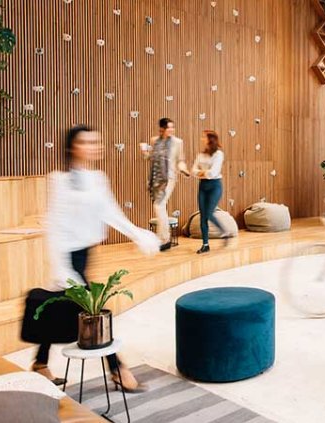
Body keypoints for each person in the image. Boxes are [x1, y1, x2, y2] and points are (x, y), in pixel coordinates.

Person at [23, 125, 159, 392]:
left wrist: (138, 234)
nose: (93, 145)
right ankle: (117, 368)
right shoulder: (59, 180)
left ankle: (40, 364)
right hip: (68, 256)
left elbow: (111, 212)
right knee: (93, 312)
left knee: (59, 308)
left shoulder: (98, 178)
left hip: (85, 253)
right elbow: (54, 224)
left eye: (95, 141)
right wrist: (61, 267)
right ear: (72, 147)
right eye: (85, 142)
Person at [142, 117, 189, 251]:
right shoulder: (154, 141)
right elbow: (150, 158)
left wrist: (183, 169)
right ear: (162, 129)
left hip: (169, 178)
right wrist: (144, 151)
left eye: (172, 127)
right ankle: (163, 237)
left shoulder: (178, 142)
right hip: (155, 179)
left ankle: (164, 238)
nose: (171, 130)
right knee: (159, 207)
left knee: (159, 205)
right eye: (169, 127)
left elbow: (180, 160)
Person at [192, 131, 231, 253]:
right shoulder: (200, 155)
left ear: (211, 139)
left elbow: (213, 173)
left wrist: (201, 173)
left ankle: (224, 232)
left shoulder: (219, 154)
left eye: (204, 136)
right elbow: (193, 170)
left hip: (215, 186)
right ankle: (205, 244)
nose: (202, 138)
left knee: (208, 213)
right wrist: (203, 173)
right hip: (203, 186)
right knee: (203, 216)